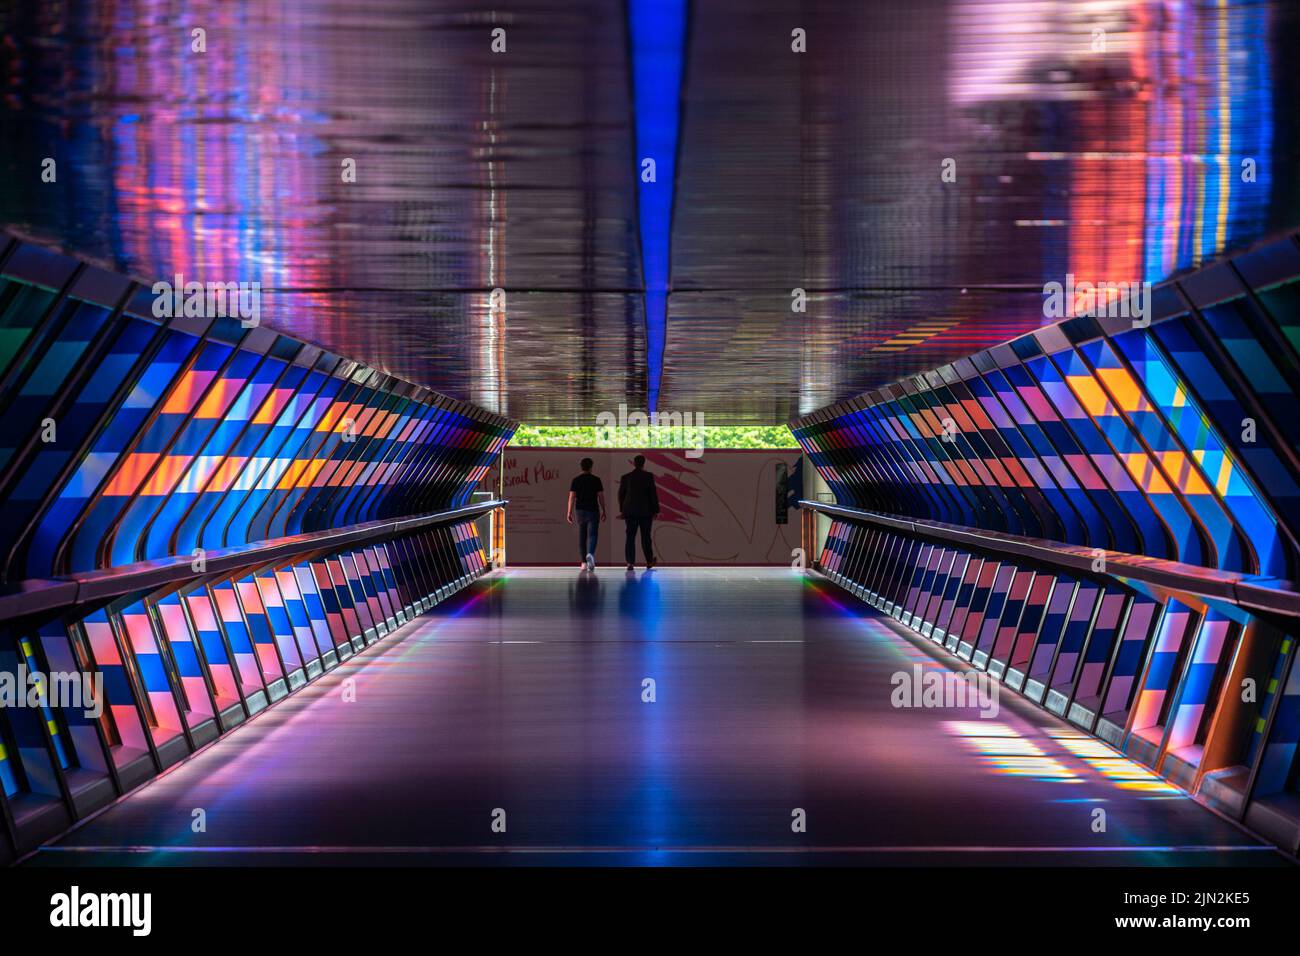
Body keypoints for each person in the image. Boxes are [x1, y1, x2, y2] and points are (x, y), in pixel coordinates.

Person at [617, 454, 659, 570]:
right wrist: (656, 510)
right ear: (643, 463)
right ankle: (649, 561)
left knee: (630, 537)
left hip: (630, 512)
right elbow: (653, 494)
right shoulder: (648, 476)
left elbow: (621, 495)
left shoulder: (626, 477)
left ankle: (630, 562)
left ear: (634, 463)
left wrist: (622, 510)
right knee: (646, 537)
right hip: (646, 512)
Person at [566, 457, 605, 571]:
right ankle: (591, 554)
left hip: (580, 511)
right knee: (593, 534)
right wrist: (604, 510)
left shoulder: (576, 480)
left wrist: (569, 512)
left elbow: (571, 497)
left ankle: (583, 563)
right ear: (591, 467)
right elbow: (601, 497)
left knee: (582, 536)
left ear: (581, 466)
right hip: (593, 510)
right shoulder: (596, 480)